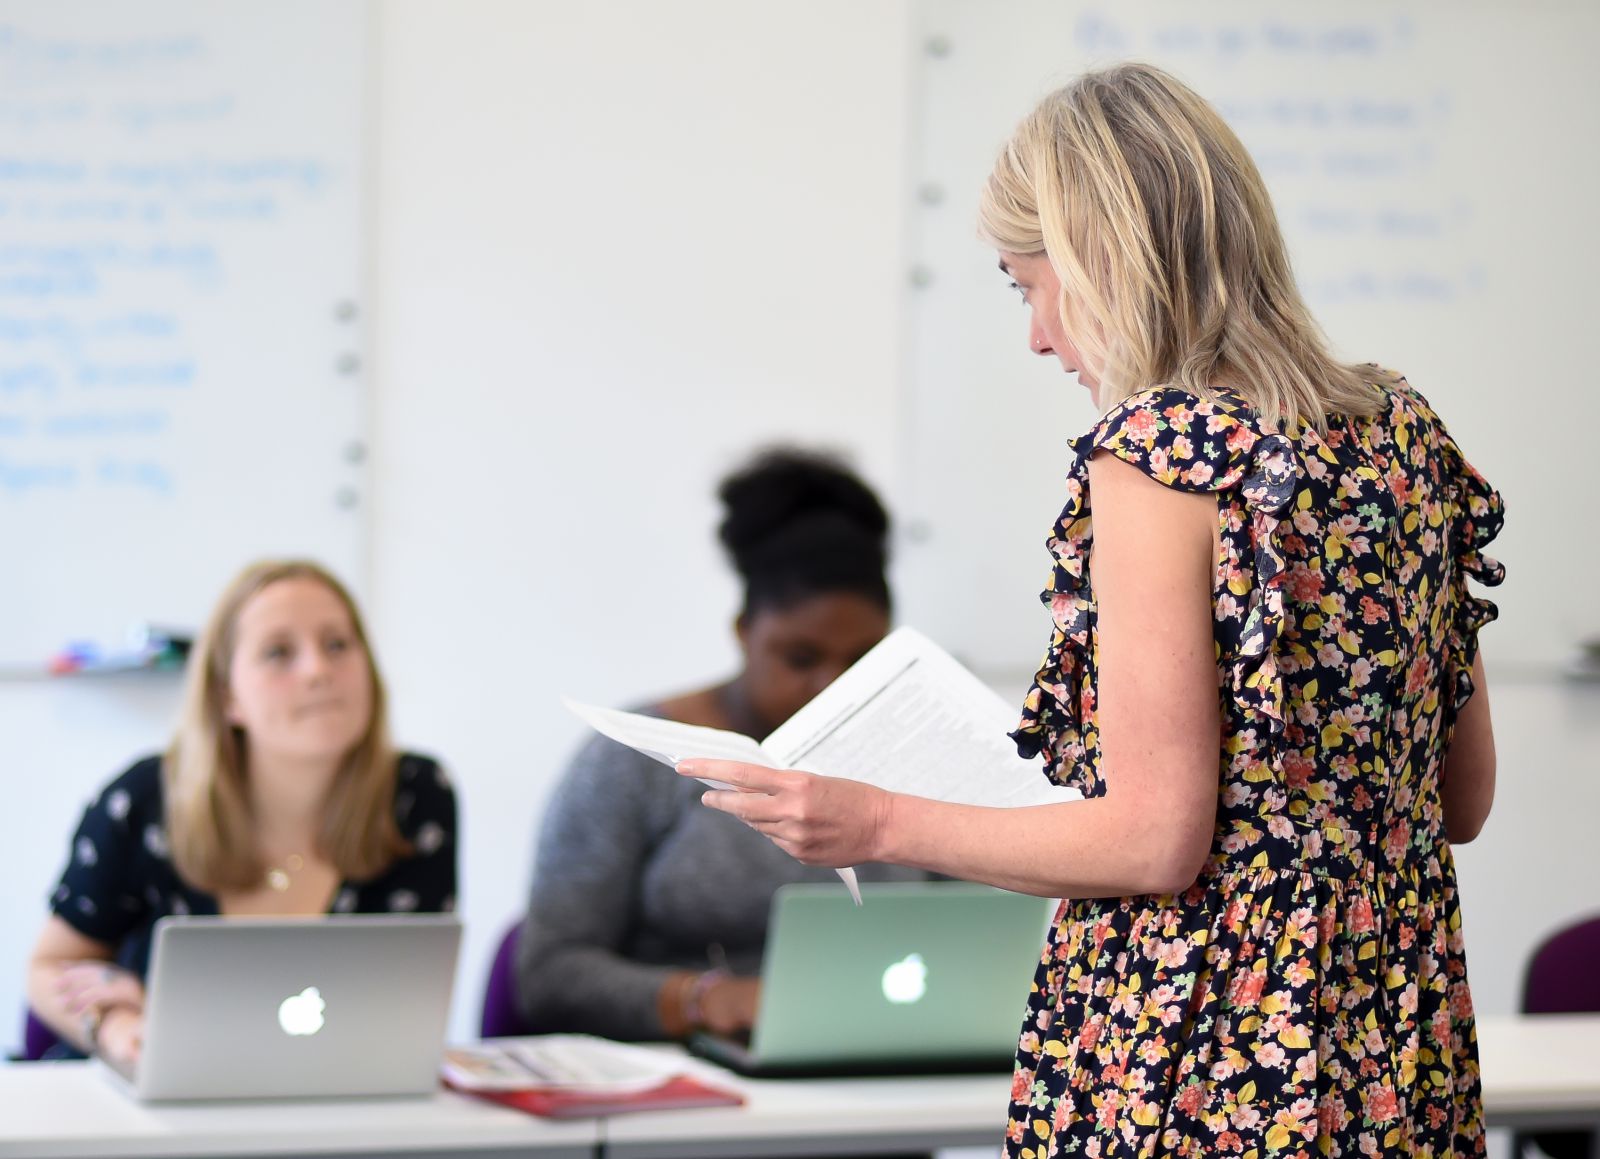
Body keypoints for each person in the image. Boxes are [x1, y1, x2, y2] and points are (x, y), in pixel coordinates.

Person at [682, 64, 1501, 1157]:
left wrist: (872, 821)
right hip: (1396, 1033)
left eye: (1027, 285)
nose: (1035, 337)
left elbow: (1156, 841)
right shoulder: (1401, 427)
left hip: (1205, 1047)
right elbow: (1461, 799)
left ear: (1099, 261)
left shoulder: (1160, 457)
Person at [516, 448, 929, 1042]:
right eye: (801, 658)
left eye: (862, 660)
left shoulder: (920, 753)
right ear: (743, 632)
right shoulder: (638, 756)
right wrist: (702, 999)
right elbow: (549, 974)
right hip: (689, 1092)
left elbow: (979, 937)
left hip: (883, 1074)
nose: (831, 686)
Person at [26, 559, 457, 1069]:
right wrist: (117, 1025)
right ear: (228, 696)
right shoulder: (144, 801)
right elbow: (50, 966)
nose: (318, 670)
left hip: (329, 1109)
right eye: (279, 653)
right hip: (150, 1105)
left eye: (338, 645)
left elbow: (410, 1006)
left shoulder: (416, 797)